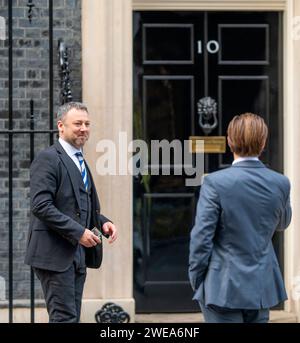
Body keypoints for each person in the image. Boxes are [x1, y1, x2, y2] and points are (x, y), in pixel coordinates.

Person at [189, 113, 291, 323]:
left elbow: (201, 238)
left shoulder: (215, 183)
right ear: (263, 142)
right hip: (261, 286)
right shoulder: (280, 182)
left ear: (229, 140)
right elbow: (282, 224)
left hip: (221, 286)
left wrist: (197, 279)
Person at [25, 102, 117, 323]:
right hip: (54, 254)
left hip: (77, 254)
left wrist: (102, 222)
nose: (84, 128)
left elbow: (74, 204)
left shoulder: (79, 159)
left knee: (70, 318)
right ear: (61, 126)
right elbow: (40, 205)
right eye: (77, 123)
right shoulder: (48, 158)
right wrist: (78, 232)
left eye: (87, 123)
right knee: (64, 318)